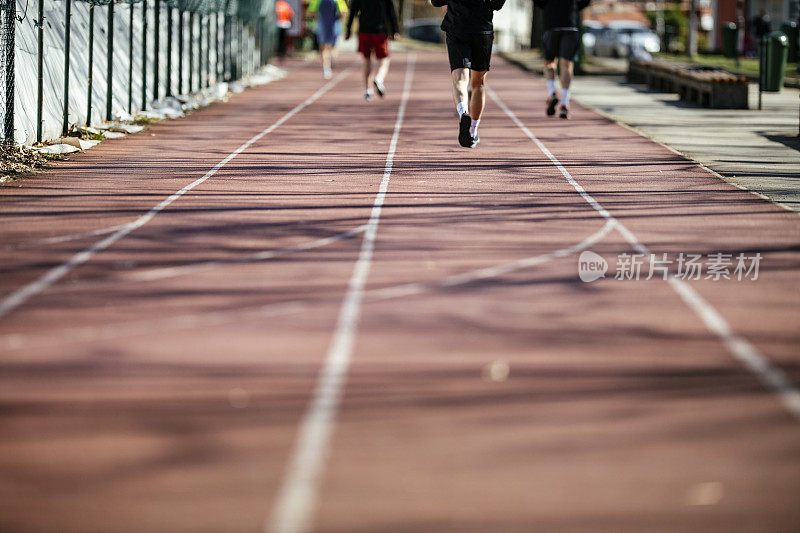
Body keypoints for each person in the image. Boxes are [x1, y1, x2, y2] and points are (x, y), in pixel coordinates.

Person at [430, 0, 506, 148]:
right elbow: (498, 4)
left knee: (459, 79)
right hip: (482, 28)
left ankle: (463, 113)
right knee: (479, 83)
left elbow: (436, 1)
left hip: (457, 27)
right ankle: (472, 131)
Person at [534, 0, 590, 120]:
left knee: (549, 62)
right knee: (567, 64)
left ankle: (552, 92)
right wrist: (573, 7)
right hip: (570, 23)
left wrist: (549, 6)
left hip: (551, 23)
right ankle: (565, 103)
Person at [345, 0, 399, 101]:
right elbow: (391, 11)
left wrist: (348, 30)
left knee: (366, 60)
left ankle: (368, 91)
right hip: (380, 30)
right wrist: (395, 30)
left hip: (364, 30)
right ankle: (379, 78)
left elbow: (353, 11)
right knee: (384, 60)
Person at [307, 0, 349, 79]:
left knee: (326, 48)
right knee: (328, 47)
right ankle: (327, 66)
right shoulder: (338, 0)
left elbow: (311, 12)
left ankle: (327, 67)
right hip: (330, 26)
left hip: (326, 26)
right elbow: (344, 13)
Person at [275, 0, 295, 65]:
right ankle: (283, 54)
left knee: (280, 41)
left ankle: (280, 54)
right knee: (284, 40)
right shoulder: (286, 5)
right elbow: (292, 14)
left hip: (279, 24)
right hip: (286, 24)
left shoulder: (277, 4)